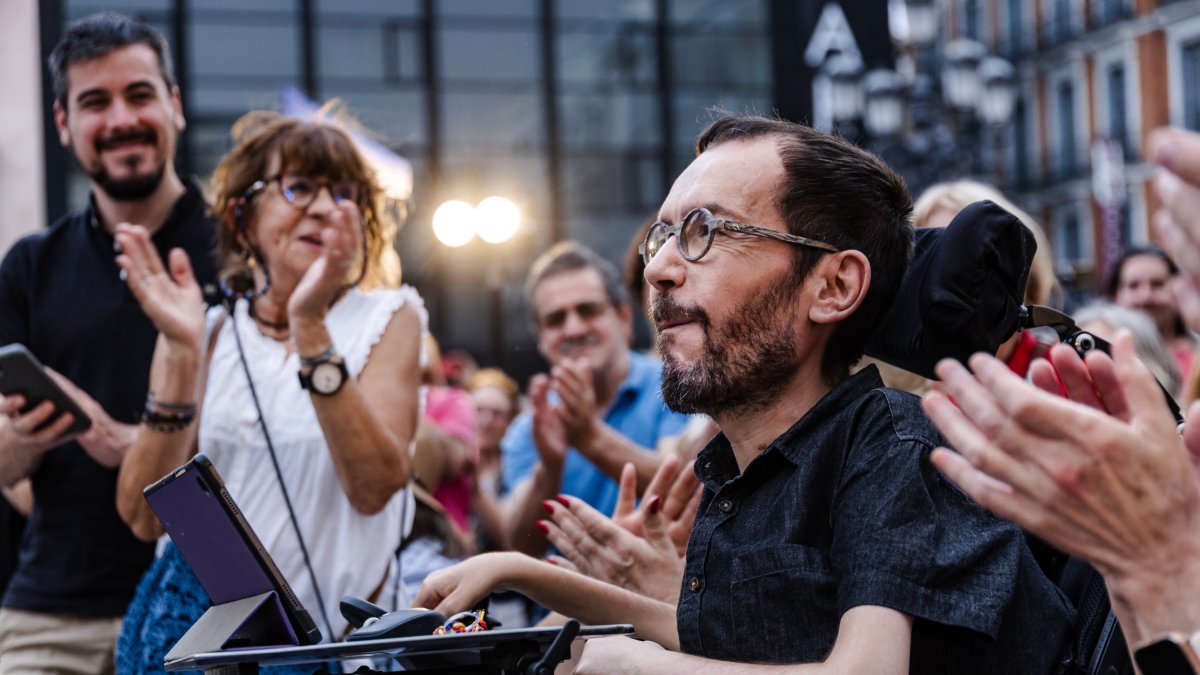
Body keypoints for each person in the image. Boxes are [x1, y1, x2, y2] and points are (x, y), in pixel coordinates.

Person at [417, 114, 1072, 673]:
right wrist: (517, 571)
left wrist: (637, 663)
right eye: (663, 234)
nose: (659, 267)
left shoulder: (893, 448)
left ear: (833, 287)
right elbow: (717, 636)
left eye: (706, 231)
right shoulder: (741, 465)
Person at [112, 110, 423, 671]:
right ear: (242, 216)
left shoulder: (391, 315)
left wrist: (309, 325)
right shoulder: (203, 333)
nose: (326, 208)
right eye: (300, 186)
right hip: (217, 654)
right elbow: (140, 516)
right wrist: (181, 355)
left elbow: (375, 486)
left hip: (343, 648)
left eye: (345, 193)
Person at [0, 13, 217, 674]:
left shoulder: (241, 250)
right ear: (64, 123)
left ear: (174, 106)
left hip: (210, 594)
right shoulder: (29, 265)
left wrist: (141, 446)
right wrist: (28, 432)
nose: (121, 118)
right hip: (54, 608)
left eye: (140, 94)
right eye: (95, 102)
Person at [501, 241, 688, 555]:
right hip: (563, 604)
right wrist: (549, 468)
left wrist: (588, 437)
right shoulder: (528, 428)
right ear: (541, 340)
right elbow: (520, 545)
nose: (573, 329)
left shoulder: (675, 385)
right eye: (556, 319)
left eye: (588, 310)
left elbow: (688, 491)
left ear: (624, 318)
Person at [871, 179, 1061, 394]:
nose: (947, 288)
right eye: (935, 262)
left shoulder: (1069, 379)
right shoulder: (891, 397)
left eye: (968, 257)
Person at [1108, 245, 1196, 388]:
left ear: (1178, 291)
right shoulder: (1105, 356)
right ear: (1116, 295)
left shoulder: (1196, 357)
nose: (1145, 297)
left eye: (1157, 284)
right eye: (1133, 285)